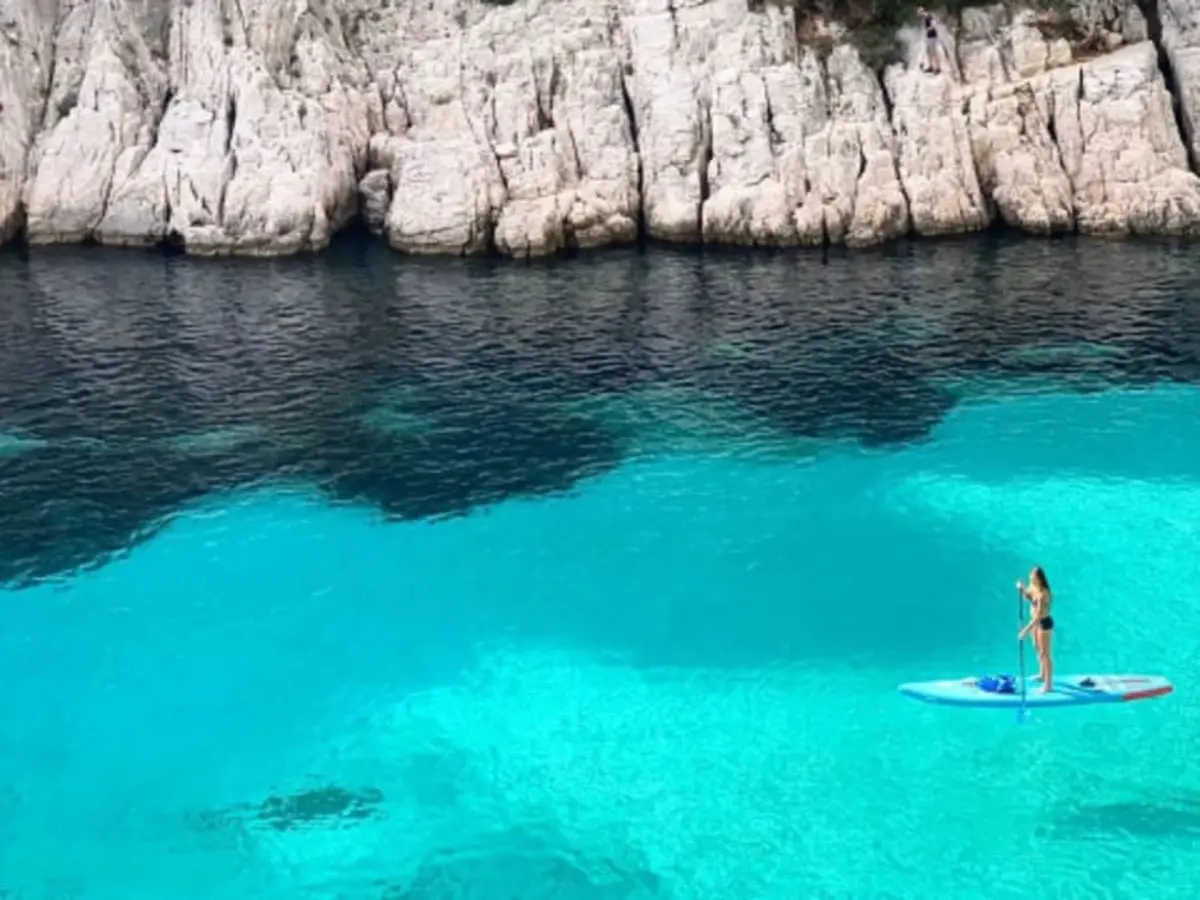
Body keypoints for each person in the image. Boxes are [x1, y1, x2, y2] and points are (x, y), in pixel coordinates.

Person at [1017, 566, 1054, 693]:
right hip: (1036, 624)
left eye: (1033, 578)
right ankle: (1042, 674)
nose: (1031, 580)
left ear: (1039, 578)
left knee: (1045, 654)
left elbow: (1038, 616)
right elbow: (1029, 597)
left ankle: (1048, 684)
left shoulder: (1044, 594)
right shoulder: (1033, 588)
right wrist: (1022, 589)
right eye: (1030, 578)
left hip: (1043, 623)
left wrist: (1025, 631)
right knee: (1037, 648)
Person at [916, 7, 942, 74]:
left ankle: (938, 68)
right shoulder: (924, 18)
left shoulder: (929, 16)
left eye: (919, 13)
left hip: (933, 36)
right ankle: (931, 66)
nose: (919, 15)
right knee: (928, 52)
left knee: (934, 52)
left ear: (922, 12)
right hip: (928, 37)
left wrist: (928, 30)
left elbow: (934, 24)